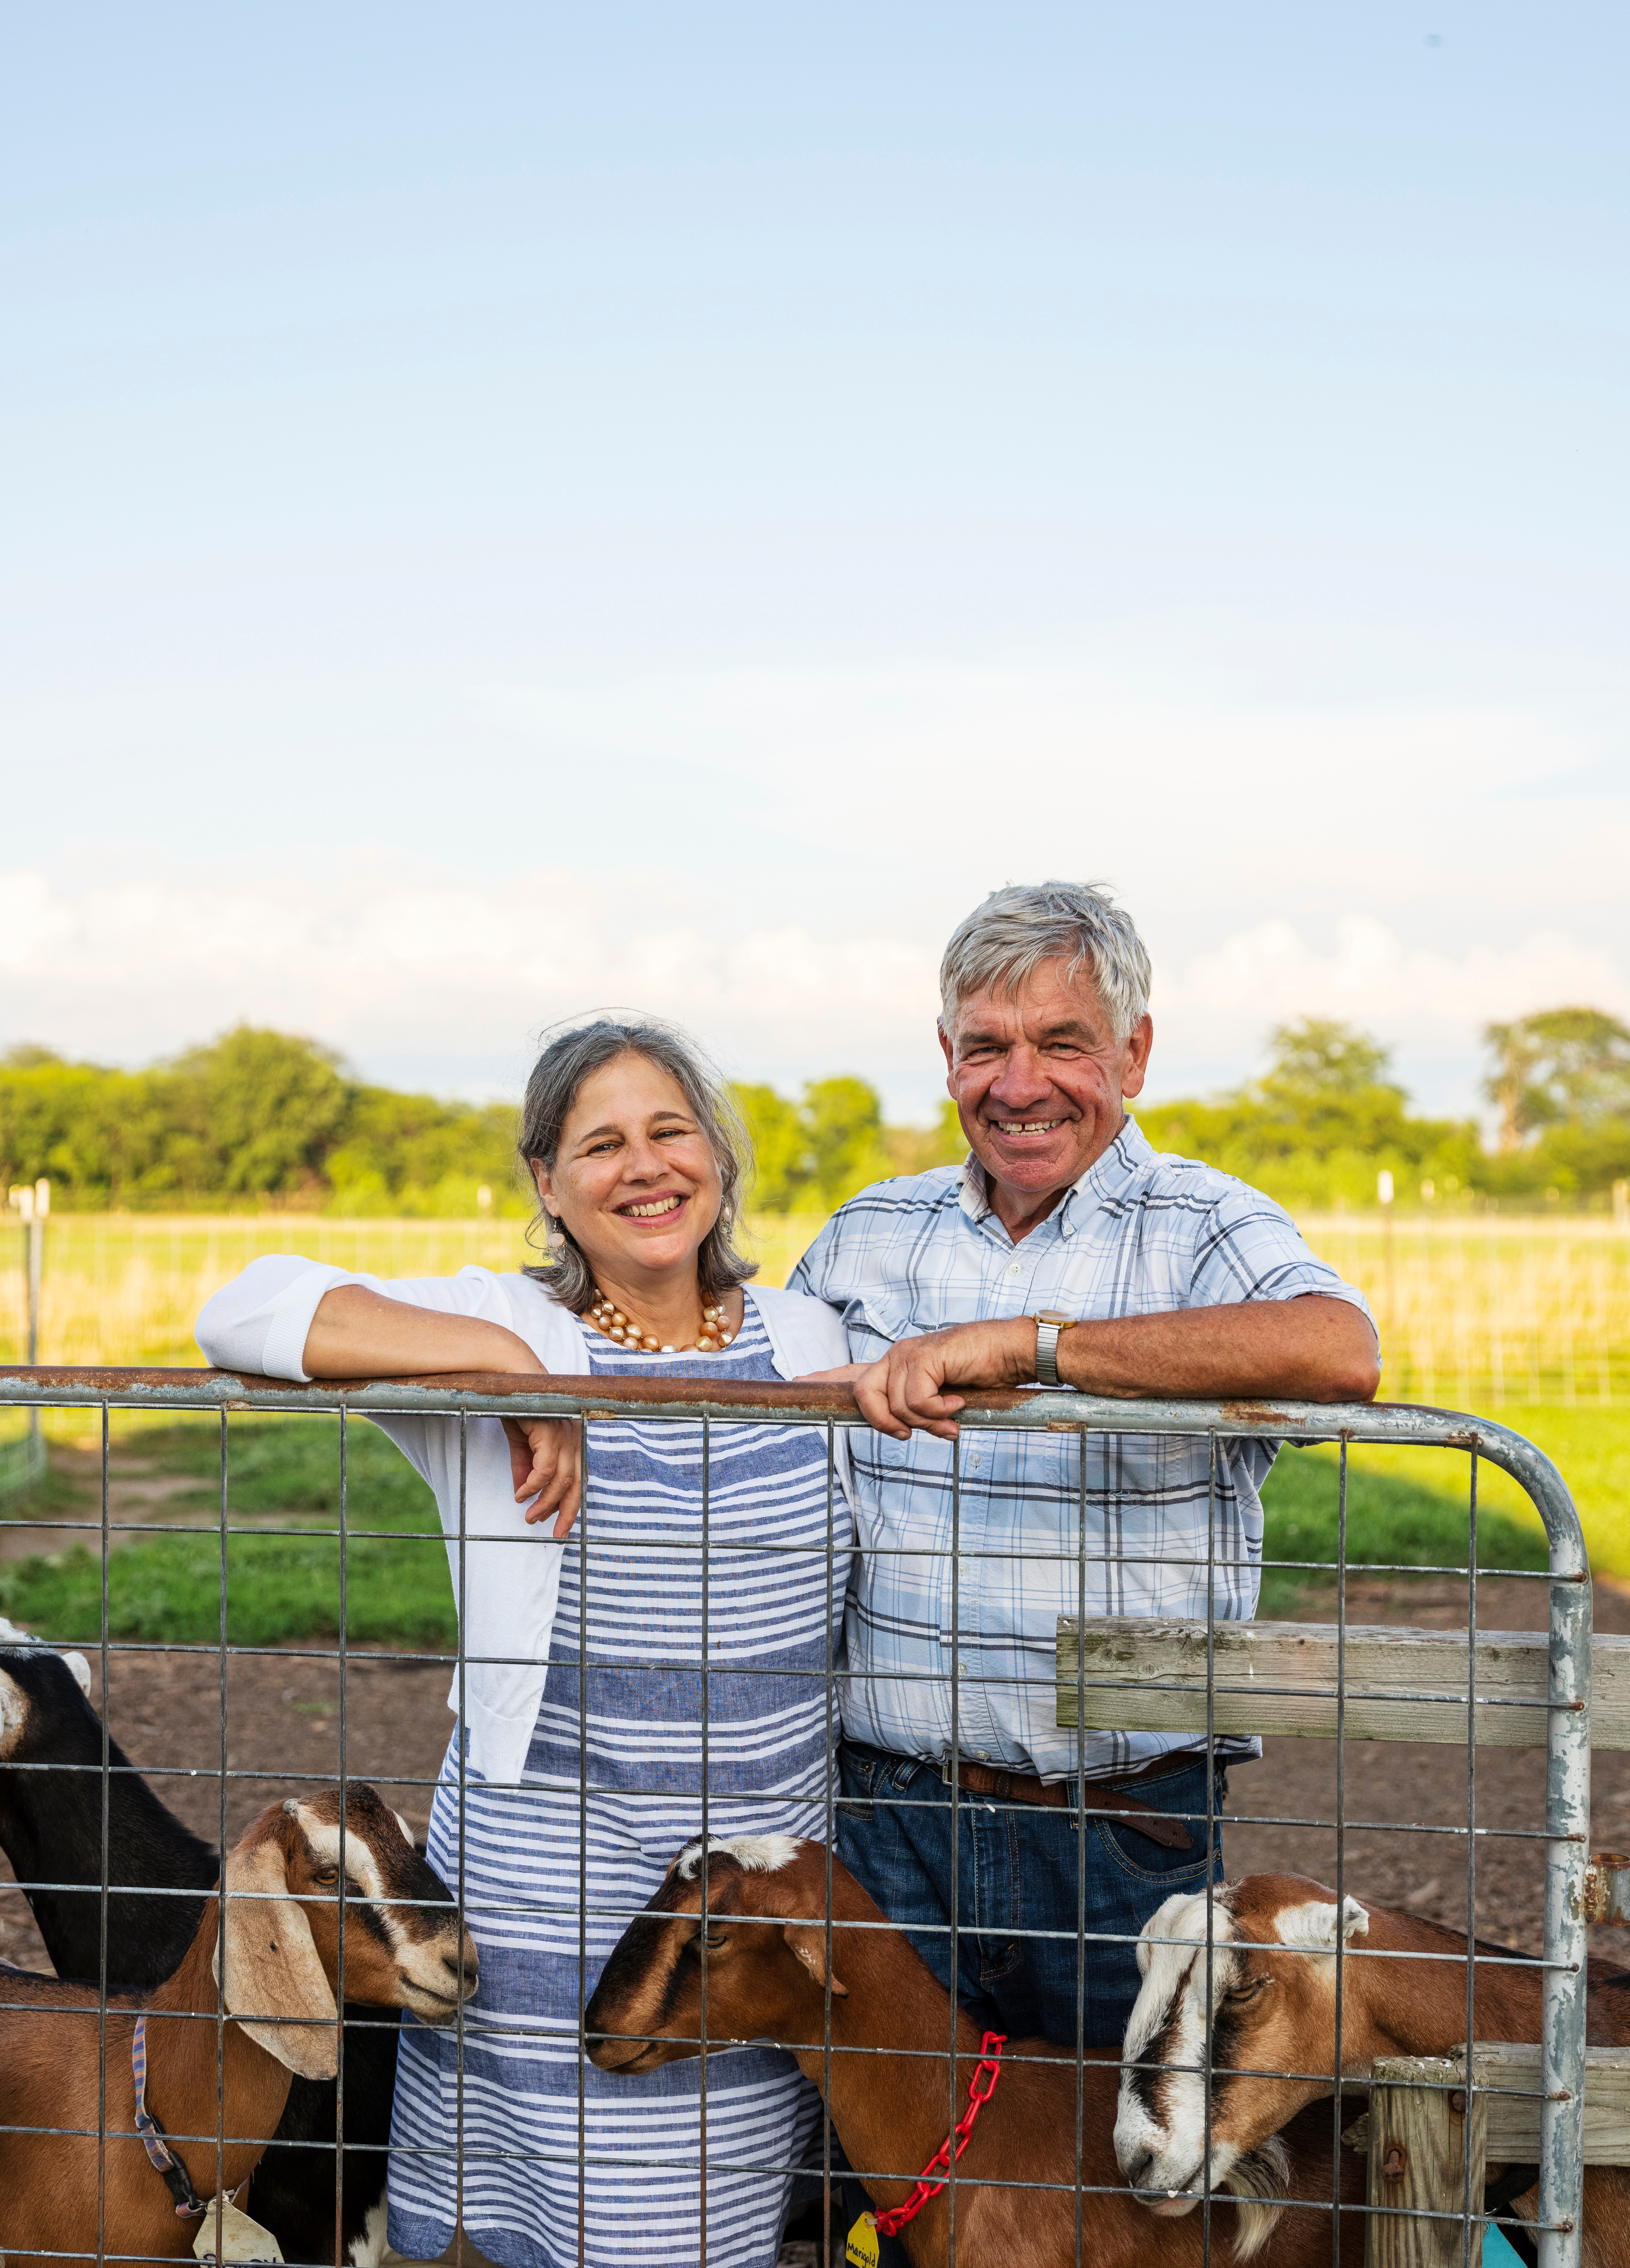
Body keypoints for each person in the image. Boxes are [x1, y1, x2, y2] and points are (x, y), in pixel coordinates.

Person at [195, 1019, 853, 2268]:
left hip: (738, 1894)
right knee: (532, 2231)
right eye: (599, 1144)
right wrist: (507, 1368)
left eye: (670, 1130)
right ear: (547, 1185)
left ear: (720, 1153)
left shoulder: (811, 1335)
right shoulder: (507, 1326)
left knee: (704, 2228)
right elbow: (241, 1309)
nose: (645, 1166)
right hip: (544, 1874)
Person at [792, 880, 1380, 2060]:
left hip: (1119, 1830)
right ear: (946, 1057)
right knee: (905, 2187)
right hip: (885, 1814)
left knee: (1127, 2181)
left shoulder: (1200, 1224)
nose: (1019, 1085)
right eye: (985, 1048)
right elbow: (748, 1400)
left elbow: (1338, 1350)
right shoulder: (868, 1233)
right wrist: (550, 1398)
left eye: (1062, 1043)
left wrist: (1034, 1349)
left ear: (1135, 1052)